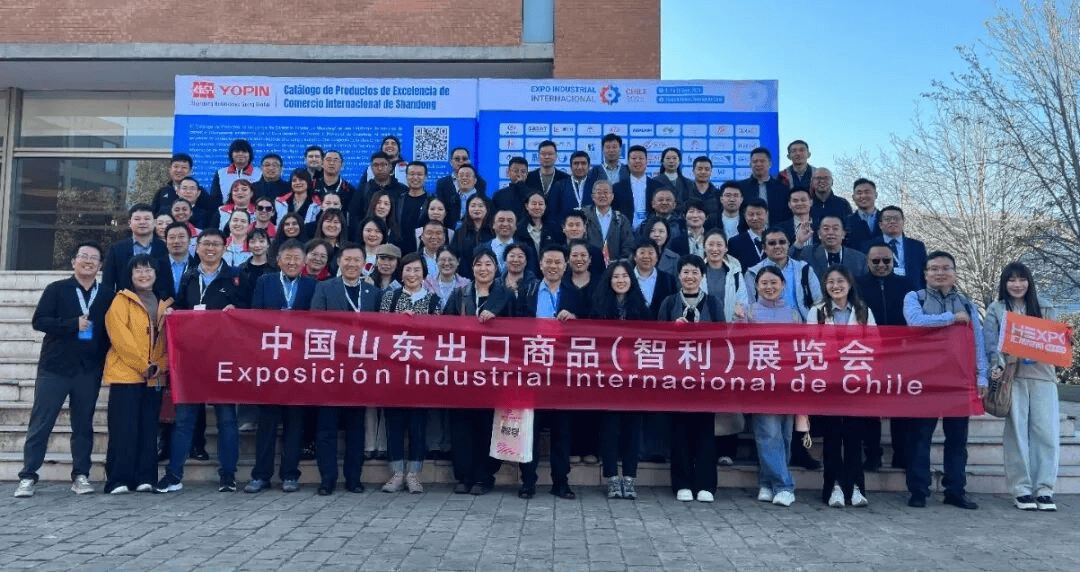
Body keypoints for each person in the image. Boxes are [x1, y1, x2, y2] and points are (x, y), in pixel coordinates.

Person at [14, 242, 110, 498]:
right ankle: (28, 476)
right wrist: (71, 324)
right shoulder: (56, 289)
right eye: (84, 256)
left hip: (88, 371)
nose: (88, 261)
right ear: (73, 261)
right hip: (54, 369)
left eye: (94, 258)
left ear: (100, 265)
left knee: (83, 426)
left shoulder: (106, 294)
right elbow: (39, 321)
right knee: (41, 424)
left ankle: (81, 476)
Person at [156, 229, 243, 493]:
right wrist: (173, 313)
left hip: (223, 359)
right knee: (184, 420)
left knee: (227, 420)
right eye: (206, 244)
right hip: (192, 359)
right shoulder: (189, 276)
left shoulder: (236, 278)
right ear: (198, 247)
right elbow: (182, 307)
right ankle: (174, 475)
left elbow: (249, 316)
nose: (210, 249)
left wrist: (237, 312)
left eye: (216, 244)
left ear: (224, 248)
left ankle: (228, 475)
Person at [903, 250, 988, 509]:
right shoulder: (914, 297)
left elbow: (977, 340)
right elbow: (915, 322)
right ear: (925, 273)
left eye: (946, 268)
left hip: (958, 379)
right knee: (920, 438)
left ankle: (955, 490)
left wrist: (982, 375)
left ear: (955, 273)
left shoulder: (967, 303)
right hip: (925, 378)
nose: (940, 273)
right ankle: (919, 490)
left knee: (957, 439)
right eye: (934, 268)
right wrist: (951, 318)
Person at [983, 262, 1061, 511]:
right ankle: (1021, 490)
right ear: (1004, 283)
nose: (1017, 285)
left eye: (1022, 279)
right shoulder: (996, 309)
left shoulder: (1045, 307)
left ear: (1029, 282)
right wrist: (997, 364)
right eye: (1011, 280)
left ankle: (1044, 489)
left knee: (1046, 434)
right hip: (1012, 377)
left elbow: (1057, 343)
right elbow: (990, 344)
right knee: (1016, 434)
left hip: (1043, 376)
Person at [243, 239, 318, 494]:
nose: (292, 262)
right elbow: (255, 317)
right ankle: (261, 475)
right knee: (267, 422)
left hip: (299, 364)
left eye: (297, 258)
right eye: (288, 258)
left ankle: (290, 474)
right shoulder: (265, 282)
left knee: (294, 422)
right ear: (278, 261)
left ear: (304, 262)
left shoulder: (312, 285)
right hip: (270, 363)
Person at [513, 244, 584, 499]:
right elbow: (514, 326)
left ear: (565, 265)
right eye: (548, 262)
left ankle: (560, 482)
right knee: (529, 429)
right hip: (532, 372)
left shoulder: (575, 294)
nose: (553, 266)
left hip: (562, 373)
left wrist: (575, 320)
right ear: (541, 264)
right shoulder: (527, 290)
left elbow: (589, 329)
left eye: (557, 262)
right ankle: (528, 482)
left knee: (562, 431)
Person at [310, 243, 379, 495]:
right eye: (347, 259)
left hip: (360, 370)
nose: (351, 264)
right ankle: (327, 479)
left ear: (364, 264)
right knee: (326, 427)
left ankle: (354, 478)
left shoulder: (373, 292)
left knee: (355, 427)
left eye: (356, 260)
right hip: (330, 368)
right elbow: (315, 323)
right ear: (339, 262)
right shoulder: (324, 288)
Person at [443, 249, 513, 495]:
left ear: (496, 268)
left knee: (487, 425)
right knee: (461, 425)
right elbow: (444, 327)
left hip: (494, 373)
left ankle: (484, 476)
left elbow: (519, 331)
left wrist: (497, 320)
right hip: (463, 372)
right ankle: (463, 476)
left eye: (488, 264)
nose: (483, 269)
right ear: (472, 269)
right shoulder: (459, 294)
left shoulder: (506, 295)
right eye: (478, 264)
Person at [102, 254, 172, 494]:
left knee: (148, 430)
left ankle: (146, 478)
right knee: (123, 429)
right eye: (139, 271)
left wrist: (160, 365)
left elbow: (168, 341)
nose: (144, 275)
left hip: (154, 377)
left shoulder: (165, 304)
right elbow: (121, 339)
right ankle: (118, 480)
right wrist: (145, 366)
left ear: (156, 274)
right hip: (126, 375)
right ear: (130, 275)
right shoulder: (121, 301)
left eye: (149, 270)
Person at [808, 266, 876, 508]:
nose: (836, 286)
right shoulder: (817, 311)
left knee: (854, 438)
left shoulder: (863, 311)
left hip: (855, 383)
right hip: (828, 383)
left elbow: (875, 344)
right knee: (832, 439)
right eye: (831, 282)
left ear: (849, 284)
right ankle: (834, 488)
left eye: (840, 281)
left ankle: (856, 487)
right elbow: (810, 345)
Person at [657, 254, 723, 502]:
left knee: (705, 430)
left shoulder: (713, 303)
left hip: (706, 378)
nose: (690, 277)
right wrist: (672, 330)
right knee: (680, 430)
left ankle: (706, 484)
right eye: (685, 272)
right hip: (676, 378)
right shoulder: (669, 303)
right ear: (679, 275)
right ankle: (682, 483)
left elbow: (723, 340)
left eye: (695, 272)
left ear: (702, 276)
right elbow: (656, 339)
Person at [378, 253, 440, 493]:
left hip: (421, 373)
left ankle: (413, 474)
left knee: (417, 424)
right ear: (401, 273)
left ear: (424, 274)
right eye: (407, 270)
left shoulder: (434, 301)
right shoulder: (390, 297)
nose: (412, 274)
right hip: (393, 371)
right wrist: (397, 320)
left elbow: (438, 336)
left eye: (416, 270)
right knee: (393, 422)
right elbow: (380, 330)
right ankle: (396, 473)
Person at [591, 260, 651, 499]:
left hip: (634, 379)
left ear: (631, 280)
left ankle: (629, 477)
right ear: (609, 280)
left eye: (625, 276)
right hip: (607, 378)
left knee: (632, 430)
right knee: (609, 428)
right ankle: (612, 478)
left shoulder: (642, 309)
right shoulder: (598, 308)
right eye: (616, 277)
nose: (620, 280)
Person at [744, 266, 802, 507]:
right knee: (768, 434)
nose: (769, 287)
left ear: (783, 285)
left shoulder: (793, 314)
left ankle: (767, 483)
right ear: (756, 286)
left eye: (774, 282)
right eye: (764, 283)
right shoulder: (749, 312)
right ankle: (784, 486)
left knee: (785, 436)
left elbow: (800, 348)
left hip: (787, 383)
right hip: (761, 384)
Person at [857, 242, 917, 471]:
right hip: (868, 352)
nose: (881, 265)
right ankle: (872, 454)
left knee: (900, 405)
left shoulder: (907, 285)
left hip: (900, 352)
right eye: (876, 261)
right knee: (869, 406)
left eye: (886, 260)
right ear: (867, 262)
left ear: (893, 261)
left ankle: (901, 454)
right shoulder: (858, 285)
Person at [701, 230, 745, 464]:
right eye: (711, 244)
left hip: (729, 342)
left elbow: (743, 303)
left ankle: (727, 450)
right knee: (705, 396)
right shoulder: (697, 269)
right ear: (704, 247)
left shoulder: (735, 272)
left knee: (728, 397)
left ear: (726, 248)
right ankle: (706, 448)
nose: (715, 249)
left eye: (719, 244)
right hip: (702, 344)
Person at [100, 203, 171, 296]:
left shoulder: (165, 248)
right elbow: (107, 283)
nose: (142, 222)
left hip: (157, 302)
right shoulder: (116, 249)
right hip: (124, 302)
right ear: (130, 223)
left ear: (154, 223)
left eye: (147, 219)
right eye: (137, 219)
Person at [798, 215, 868, 281]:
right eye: (826, 229)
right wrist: (799, 242)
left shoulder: (859, 259)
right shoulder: (807, 254)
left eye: (835, 228)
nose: (830, 232)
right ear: (819, 234)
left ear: (843, 234)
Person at [583, 179, 635, 264]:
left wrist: (617, 263)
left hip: (615, 266)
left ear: (612, 196)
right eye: (599, 192)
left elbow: (628, 246)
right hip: (589, 265)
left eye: (606, 192)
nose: (602, 195)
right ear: (593, 196)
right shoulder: (584, 216)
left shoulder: (621, 219)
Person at [612, 145, 663, 228]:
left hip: (652, 230)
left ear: (646, 161)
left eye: (641, 158)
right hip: (625, 231)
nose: (637, 161)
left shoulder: (658, 187)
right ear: (628, 162)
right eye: (634, 158)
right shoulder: (617, 188)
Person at [435, 148, 487, 227]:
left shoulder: (480, 182)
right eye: (457, 159)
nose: (461, 162)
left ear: (469, 161)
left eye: (464, 159)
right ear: (451, 162)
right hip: (448, 227)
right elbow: (440, 208)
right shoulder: (442, 183)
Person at [737, 147, 791, 223]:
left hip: (776, 229)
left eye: (762, 161)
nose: (758, 164)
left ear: (770, 164)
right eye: (755, 161)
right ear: (750, 164)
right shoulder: (741, 187)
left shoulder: (782, 188)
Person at [879, 205, 927, 288]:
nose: (892, 221)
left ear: (903, 222)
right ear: (880, 224)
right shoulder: (870, 246)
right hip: (883, 291)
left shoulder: (917, 246)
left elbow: (924, 274)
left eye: (896, 218)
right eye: (888, 219)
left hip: (913, 291)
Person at [450, 194, 495, 279]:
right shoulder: (460, 232)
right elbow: (453, 255)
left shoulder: (493, 231)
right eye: (473, 206)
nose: (477, 209)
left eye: (481, 206)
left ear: (487, 209)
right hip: (465, 278)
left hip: (490, 277)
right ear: (467, 209)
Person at [632, 238, 678, 320]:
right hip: (632, 326)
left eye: (650, 253)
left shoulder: (669, 279)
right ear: (635, 257)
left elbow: (674, 307)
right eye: (642, 253)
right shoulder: (627, 278)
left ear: (657, 257)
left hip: (661, 326)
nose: (646, 256)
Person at [209, 139, 262, 208]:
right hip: (227, 211)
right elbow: (215, 199)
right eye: (237, 151)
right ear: (231, 154)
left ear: (250, 154)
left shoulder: (259, 173)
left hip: (253, 211)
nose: (240, 154)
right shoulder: (221, 173)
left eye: (244, 151)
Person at [547, 151, 596, 222]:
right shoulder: (560, 186)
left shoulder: (595, 186)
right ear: (570, 166)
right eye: (576, 163)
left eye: (583, 163)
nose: (579, 167)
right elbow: (553, 213)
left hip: (590, 227)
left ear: (589, 166)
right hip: (565, 227)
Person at [396, 161, 432, 255]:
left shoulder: (432, 201)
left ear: (426, 177)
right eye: (412, 174)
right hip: (399, 252)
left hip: (422, 252)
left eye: (419, 174)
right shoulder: (398, 200)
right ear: (406, 176)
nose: (415, 177)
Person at [422, 245, 470, 311]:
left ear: (458, 262)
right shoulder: (427, 283)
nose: (446, 263)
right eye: (443, 260)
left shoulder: (466, 285)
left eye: (451, 260)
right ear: (437, 261)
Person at [492, 156, 538, 222]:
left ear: (527, 174)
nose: (519, 174)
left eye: (523, 172)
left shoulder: (534, 194)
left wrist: (521, 185)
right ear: (508, 172)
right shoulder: (499, 195)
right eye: (516, 171)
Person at [727, 198, 769, 270]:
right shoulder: (734, 243)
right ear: (745, 216)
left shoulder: (776, 238)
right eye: (751, 214)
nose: (755, 218)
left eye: (758, 214)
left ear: (766, 214)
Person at [844, 178, 883, 251]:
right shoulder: (846, 222)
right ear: (853, 197)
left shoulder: (886, 219)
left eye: (867, 192)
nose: (863, 196)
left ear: (876, 195)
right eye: (859, 193)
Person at [313, 208, 346, 276]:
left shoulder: (346, 250)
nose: (332, 225)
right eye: (328, 221)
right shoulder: (311, 247)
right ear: (321, 224)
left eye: (336, 222)